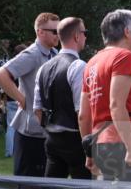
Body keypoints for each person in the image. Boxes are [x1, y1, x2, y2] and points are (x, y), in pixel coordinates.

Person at [79, 9, 131, 182]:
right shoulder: (124, 56)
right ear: (127, 31)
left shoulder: (92, 63)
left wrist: (90, 153)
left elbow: (83, 115)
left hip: (100, 143)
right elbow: (116, 105)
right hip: (125, 141)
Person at [0, 12, 60, 177]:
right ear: (40, 32)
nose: (58, 35)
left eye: (59, 31)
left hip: (46, 131)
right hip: (31, 133)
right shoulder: (33, 54)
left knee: (46, 187)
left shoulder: (55, 54)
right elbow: (0, 75)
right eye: (54, 31)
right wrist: (21, 98)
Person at [33, 17, 90, 179]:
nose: (86, 37)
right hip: (75, 140)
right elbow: (82, 112)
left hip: (52, 138)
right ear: (77, 36)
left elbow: (37, 109)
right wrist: (88, 143)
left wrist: (50, 130)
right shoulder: (79, 66)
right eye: (85, 33)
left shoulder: (44, 67)